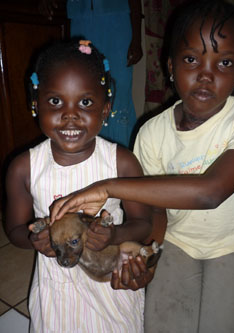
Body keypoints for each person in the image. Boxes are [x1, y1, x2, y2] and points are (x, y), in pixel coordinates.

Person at [50, 1, 234, 332]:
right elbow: (157, 212)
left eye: (224, 62)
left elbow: (211, 192)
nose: (205, 74)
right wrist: (149, 256)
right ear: (170, 67)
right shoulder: (152, 133)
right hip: (178, 243)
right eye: (191, 59)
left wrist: (109, 186)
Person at [5, 39, 154, 332]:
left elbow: (143, 223)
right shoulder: (24, 168)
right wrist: (34, 238)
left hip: (110, 285)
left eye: (85, 102)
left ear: (106, 108)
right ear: (35, 104)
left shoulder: (121, 163)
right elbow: (14, 230)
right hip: (56, 291)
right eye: (55, 101)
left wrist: (114, 235)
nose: (70, 114)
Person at [39, 0, 143, 148]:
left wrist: (137, 39)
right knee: (84, 90)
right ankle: (89, 156)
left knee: (118, 92)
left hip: (117, 20)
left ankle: (122, 153)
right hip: (80, 19)